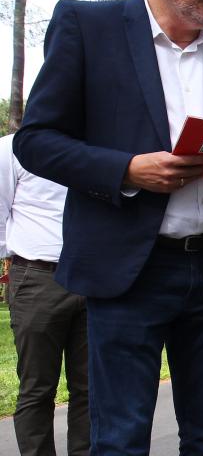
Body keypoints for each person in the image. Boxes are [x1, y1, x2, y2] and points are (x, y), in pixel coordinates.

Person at [13, 0, 203, 455]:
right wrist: (127, 170)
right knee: (121, 437)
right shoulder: (89, 28)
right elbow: (35, 140)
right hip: (130, 270)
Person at [0, 134, 88, 455]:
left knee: (91, 390)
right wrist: (18, 260)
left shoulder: (92, 143)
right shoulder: (13, 147)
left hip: (91, 277)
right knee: (37, 389)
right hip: (37, 277)